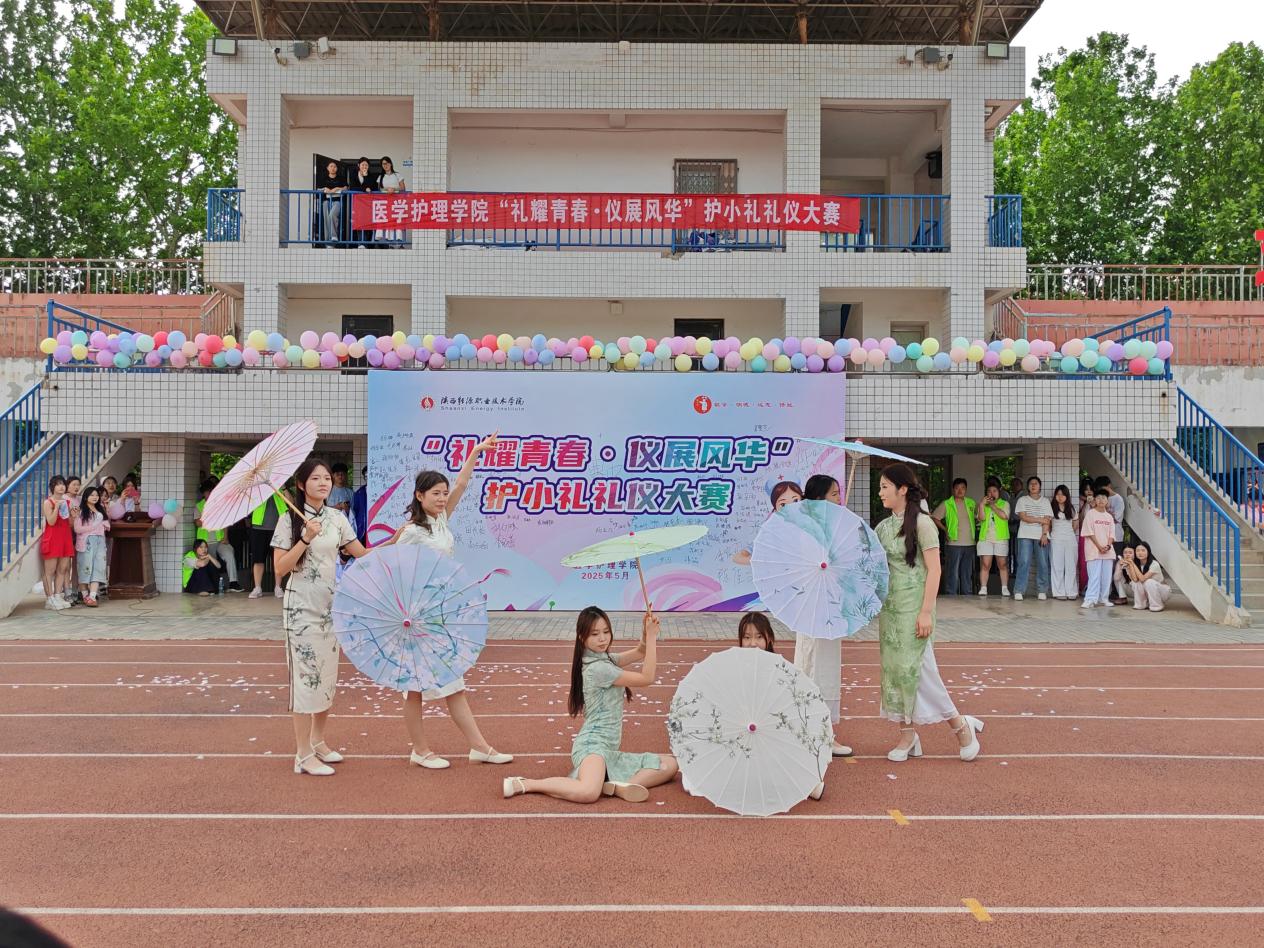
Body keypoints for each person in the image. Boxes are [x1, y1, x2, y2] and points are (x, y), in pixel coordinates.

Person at [380, 438, 513, 769]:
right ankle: (425, 749)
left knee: (450, 684)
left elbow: (462, 484)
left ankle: (475, 747)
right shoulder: (411, 532)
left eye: (443, 493)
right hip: (419, 618)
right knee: (417, 688)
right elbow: (391, 569)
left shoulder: (440, 521)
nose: (442, 498)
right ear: (419, 496)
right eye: (435, 493)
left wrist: (476, 452)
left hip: (442, 614)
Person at [503, 607, 678, 802]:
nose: (602, 639)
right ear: (582, 637)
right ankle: (527, 783)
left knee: (669, 765)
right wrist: (652, 637)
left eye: (606, 632)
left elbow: (640, 651)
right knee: (588, 792)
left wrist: (646, 632)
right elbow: (647, 678)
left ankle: (620, 786)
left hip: (609, 751)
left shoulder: (605, 659)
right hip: (592, 746)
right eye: (595, 634)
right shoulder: (599, 669)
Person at [875, 463, 983, 763]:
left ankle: (961, 726)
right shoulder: (882, 528)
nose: (880, 492)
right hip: (891, 610)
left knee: (921, 672)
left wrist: (925, 612)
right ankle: (907, 735)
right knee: (897, 672)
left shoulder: (923, 524)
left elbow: (935, 570)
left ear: (902, 489)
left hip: (915, 609)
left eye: (885, 487)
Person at [272, 458, 370, 776]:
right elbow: (280, 568)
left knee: (327, 677)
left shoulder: (337, 518)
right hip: (301, 609)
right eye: (315, 478)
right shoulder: (289, 520)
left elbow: (361, 554)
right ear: (302, 485)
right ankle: (302, 754)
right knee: (305, 681)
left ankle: (318, 741)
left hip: (331, 608)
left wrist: (396, 543)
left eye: (327, 477)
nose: (324, 482)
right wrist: (305, 538)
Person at [791, 473, 852, 757]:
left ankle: (812, 731)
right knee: (816, 666)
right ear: (818, 499)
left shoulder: (828, 528)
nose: (839, 499)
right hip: (816, 607)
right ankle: (820, 734)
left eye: (839, 493)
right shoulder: (811, 530)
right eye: (834, 494)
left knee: (815, 664)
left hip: (827, 606)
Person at [732, 480, 802, 565]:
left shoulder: (809, 524)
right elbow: (740, 556)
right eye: (783, 504)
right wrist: (754, 557)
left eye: (795, 500)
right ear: (775, 509)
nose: (791, 507)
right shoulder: (773, 529)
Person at [194, 478, 243, 592]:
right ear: (203, 493)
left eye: (211, 491)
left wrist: (226, 537)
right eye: (208, 492)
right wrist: (208, 514)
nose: (210, 494)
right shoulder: (199, 506)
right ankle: (215, 586)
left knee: (229, 554)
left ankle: (233, 583)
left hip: (220, 539)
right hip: (206, 542)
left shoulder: (220, 504)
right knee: (212, 563)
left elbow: (225, 522)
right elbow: (197, 523)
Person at [931, 478, 976, 595]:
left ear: (966, 489)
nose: (960, 491)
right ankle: (951, 595)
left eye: (962, 488)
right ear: (953, 490)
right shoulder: (947, 504)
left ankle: (967, 594)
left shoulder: (971, 503)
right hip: (953, 542)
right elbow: (935, 518)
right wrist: (945, 529)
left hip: (970, 542)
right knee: (953, 571)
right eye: (957, 488)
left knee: (967, 572)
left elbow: (979, 517)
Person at [1012, 475, 1053, 602]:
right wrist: (1040, 519)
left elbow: (1047, 520)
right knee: (1024, 562)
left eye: (1036, 483)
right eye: (1031, 484)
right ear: (1028, 487)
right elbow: (1023, 517)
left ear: (1040, 486)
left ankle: (1042, 590)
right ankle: (1019, 590)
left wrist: (1044, 534)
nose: (1033, 485)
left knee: (1043, 563)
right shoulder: (1022, 500)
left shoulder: (1045, 501)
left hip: (1041, 535)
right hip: (1025, 535)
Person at [40, 476, 74, 610]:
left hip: (65, 538)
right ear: (52, 487)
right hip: (52, 538)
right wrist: (57, 507)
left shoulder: (67, 502)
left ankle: (58, 595)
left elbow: (70, 523)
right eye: (58, 484)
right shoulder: (48, 502)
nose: (61, 487)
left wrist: (74, 516)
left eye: (63, 484)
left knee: (63, 569)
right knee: (50, 570)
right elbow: (51, 521)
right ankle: (49, 599)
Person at [1080, 490, 1118, 608]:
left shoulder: (1109, 517)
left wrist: (1108, 546)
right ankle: (1090, 599)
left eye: (1104, 498)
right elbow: (1089, 532)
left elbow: (1112, 534)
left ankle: (1103, 598)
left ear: (1107, 501)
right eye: (1098, 498)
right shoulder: (1090, 514)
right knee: (1094, 576)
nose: (1101, 500)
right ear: (1095, 500)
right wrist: (1099, 546)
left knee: (1106, 576)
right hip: (1093, 550)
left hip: (1107, 551)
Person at [73, 485, 109, 606]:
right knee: (85, 568)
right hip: (86, 542)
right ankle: (85, 596)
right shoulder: (81, 511)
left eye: (96, 495)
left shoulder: (100, 510)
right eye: (92, 495)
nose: (95, 497)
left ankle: (92, 596)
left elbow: (107, 524)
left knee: (98, 567)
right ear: (85, 497)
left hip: (100, 541)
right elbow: (77, 529)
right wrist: (92, 528)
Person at [248, 491, 288, 599]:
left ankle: (278, 587)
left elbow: (291, 502)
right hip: (258, 527)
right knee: (258, 559)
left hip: (278, 527)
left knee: (278, 559)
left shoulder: (280, 487)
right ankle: (257, 587)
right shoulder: (258, 489)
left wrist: (283, 489)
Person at [975, 477, 1010, 596]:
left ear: (999, 492)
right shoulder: (983, 504)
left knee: (1002, 564)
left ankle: (1004, 588)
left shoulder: (1005, 504)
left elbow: (1004, 516)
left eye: (994, 491)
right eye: (989, 491)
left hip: (1001, 537)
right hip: (985, 538)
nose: (992, 493)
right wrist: (981, 505)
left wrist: (993, 505)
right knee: (985, 564)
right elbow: (981, 518)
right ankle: (983, 588)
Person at [1048, 484, 1079, 600]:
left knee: (1071, 566)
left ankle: (1071, 592)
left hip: (1070, 539)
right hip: (1056, 539)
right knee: (1057, 565)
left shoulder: (1072, 508)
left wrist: (1068, 533)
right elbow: (1048, 524)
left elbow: (1075, 524)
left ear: (1067, 496)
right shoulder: (1051, 507)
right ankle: (1059, 592)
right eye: (1058, 494)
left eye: (1062, 494)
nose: (1060, 497)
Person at [1126, 542, 1171, 612]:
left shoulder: (1154, 564)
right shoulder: (1135, 563)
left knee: (1148, 582)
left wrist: (1133, 564)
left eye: (1143, 550)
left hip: (1162, 592)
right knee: (1135, 582)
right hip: (1148, 592)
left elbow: (1142, 579)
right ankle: (1141, 604)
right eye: (1138, 551)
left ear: (1148, 552)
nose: (1140, 553)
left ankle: (1157, 605)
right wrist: (1131, 565)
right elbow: (1135, 580)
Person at [374, 156, 407, 246]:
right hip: (385, 201)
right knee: (387, 220)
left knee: (397, 220)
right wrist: (387, 190)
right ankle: (389, 243)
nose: (385, 165)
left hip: (397, 202)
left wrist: (394, 189)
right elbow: (379, 189)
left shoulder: (397, 175)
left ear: (391, 164)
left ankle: (399, 242)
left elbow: (403, 188)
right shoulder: (380, 177)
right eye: (383, 164)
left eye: (387, 163)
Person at [347, 156, 378, 247]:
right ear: (358, 165)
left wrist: (365, 177)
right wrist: (364, 189)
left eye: (366, 165)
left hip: (368, 203)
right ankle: (361, 243)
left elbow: (373, 189)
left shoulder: (371, 176)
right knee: (359, 222)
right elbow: (353, 188)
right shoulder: (354, 174)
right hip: (357, 203)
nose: (364, 167)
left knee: (368, 222)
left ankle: (367, 244)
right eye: (363, 165)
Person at [316, 160, 346, 247]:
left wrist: (336, 188)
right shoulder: (323, 178)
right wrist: (325, 188)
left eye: (335, 166)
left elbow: (346, 188)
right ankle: (327, 242)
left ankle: (334, 236)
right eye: (331, 166)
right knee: (326, 219)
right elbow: (318, 189)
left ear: (337, 168)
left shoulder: (340, 178)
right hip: (326, 201)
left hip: (337, 201)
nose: (333, 168)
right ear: (327, 168)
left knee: (332, 215)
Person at [1095, 476, 1126, 555]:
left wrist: (1105, 509)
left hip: (1116, 536)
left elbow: (1116, 519)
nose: (1102, 491)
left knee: (1116, 559)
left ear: (1109, 486)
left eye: (1103, 488)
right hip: (1103, 537)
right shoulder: (1101, 499)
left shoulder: (1118, 499)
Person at [1078, 479, 1095, 591]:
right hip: (1083, 535)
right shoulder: (1081, 502)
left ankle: (1092, 586)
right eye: (1086, 489)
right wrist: (1085, 504)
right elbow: (1079, 520)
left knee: (1094, 561)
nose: (1088, 492)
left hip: (1096, 536)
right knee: (1083, 561)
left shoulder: (1098, 501)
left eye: (1090, 489)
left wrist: (1093, 504)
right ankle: (1083, 586)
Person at [351, 465, 368, 546]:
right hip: (363, 529)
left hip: (377, 528)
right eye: (366, 476)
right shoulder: (359, 493)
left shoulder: (382, 492)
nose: (368, 478)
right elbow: (356, 510)